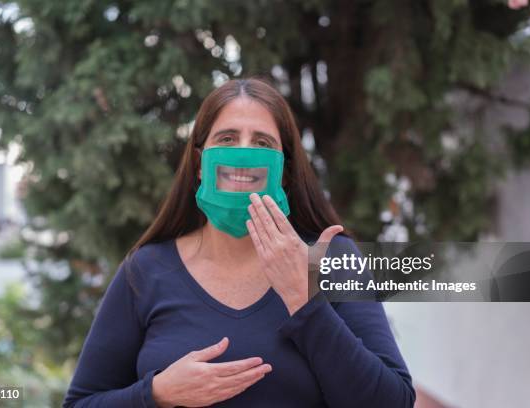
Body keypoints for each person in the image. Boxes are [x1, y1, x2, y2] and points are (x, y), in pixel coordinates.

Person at [62, 78, 415, 407]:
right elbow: (80, 402)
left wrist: (305, 301)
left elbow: (393, 400)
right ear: (200, 163)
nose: (243, 155)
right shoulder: (146, 270)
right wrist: (156, 393)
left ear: (285, 170)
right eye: (227, 139)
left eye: (262, 143)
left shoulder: (330, 259)